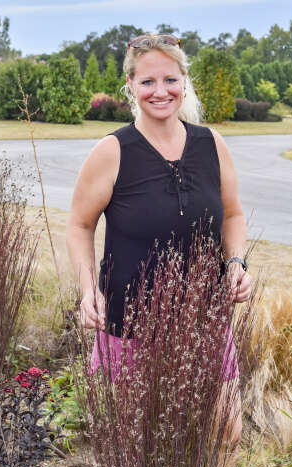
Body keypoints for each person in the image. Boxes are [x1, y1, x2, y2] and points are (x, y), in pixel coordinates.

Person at [66, 33, 252, 429]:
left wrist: (236, 261)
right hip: (130, 322)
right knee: (139, 445)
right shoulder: (112, 151)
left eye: (170, 79)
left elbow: (233, 215)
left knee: (226, 432)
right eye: (147, 82)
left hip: (205, 317)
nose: (160, 91)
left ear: (184, 82)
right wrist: (87, 291)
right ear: (130, 86)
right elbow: (80, 225)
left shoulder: (211, 144)